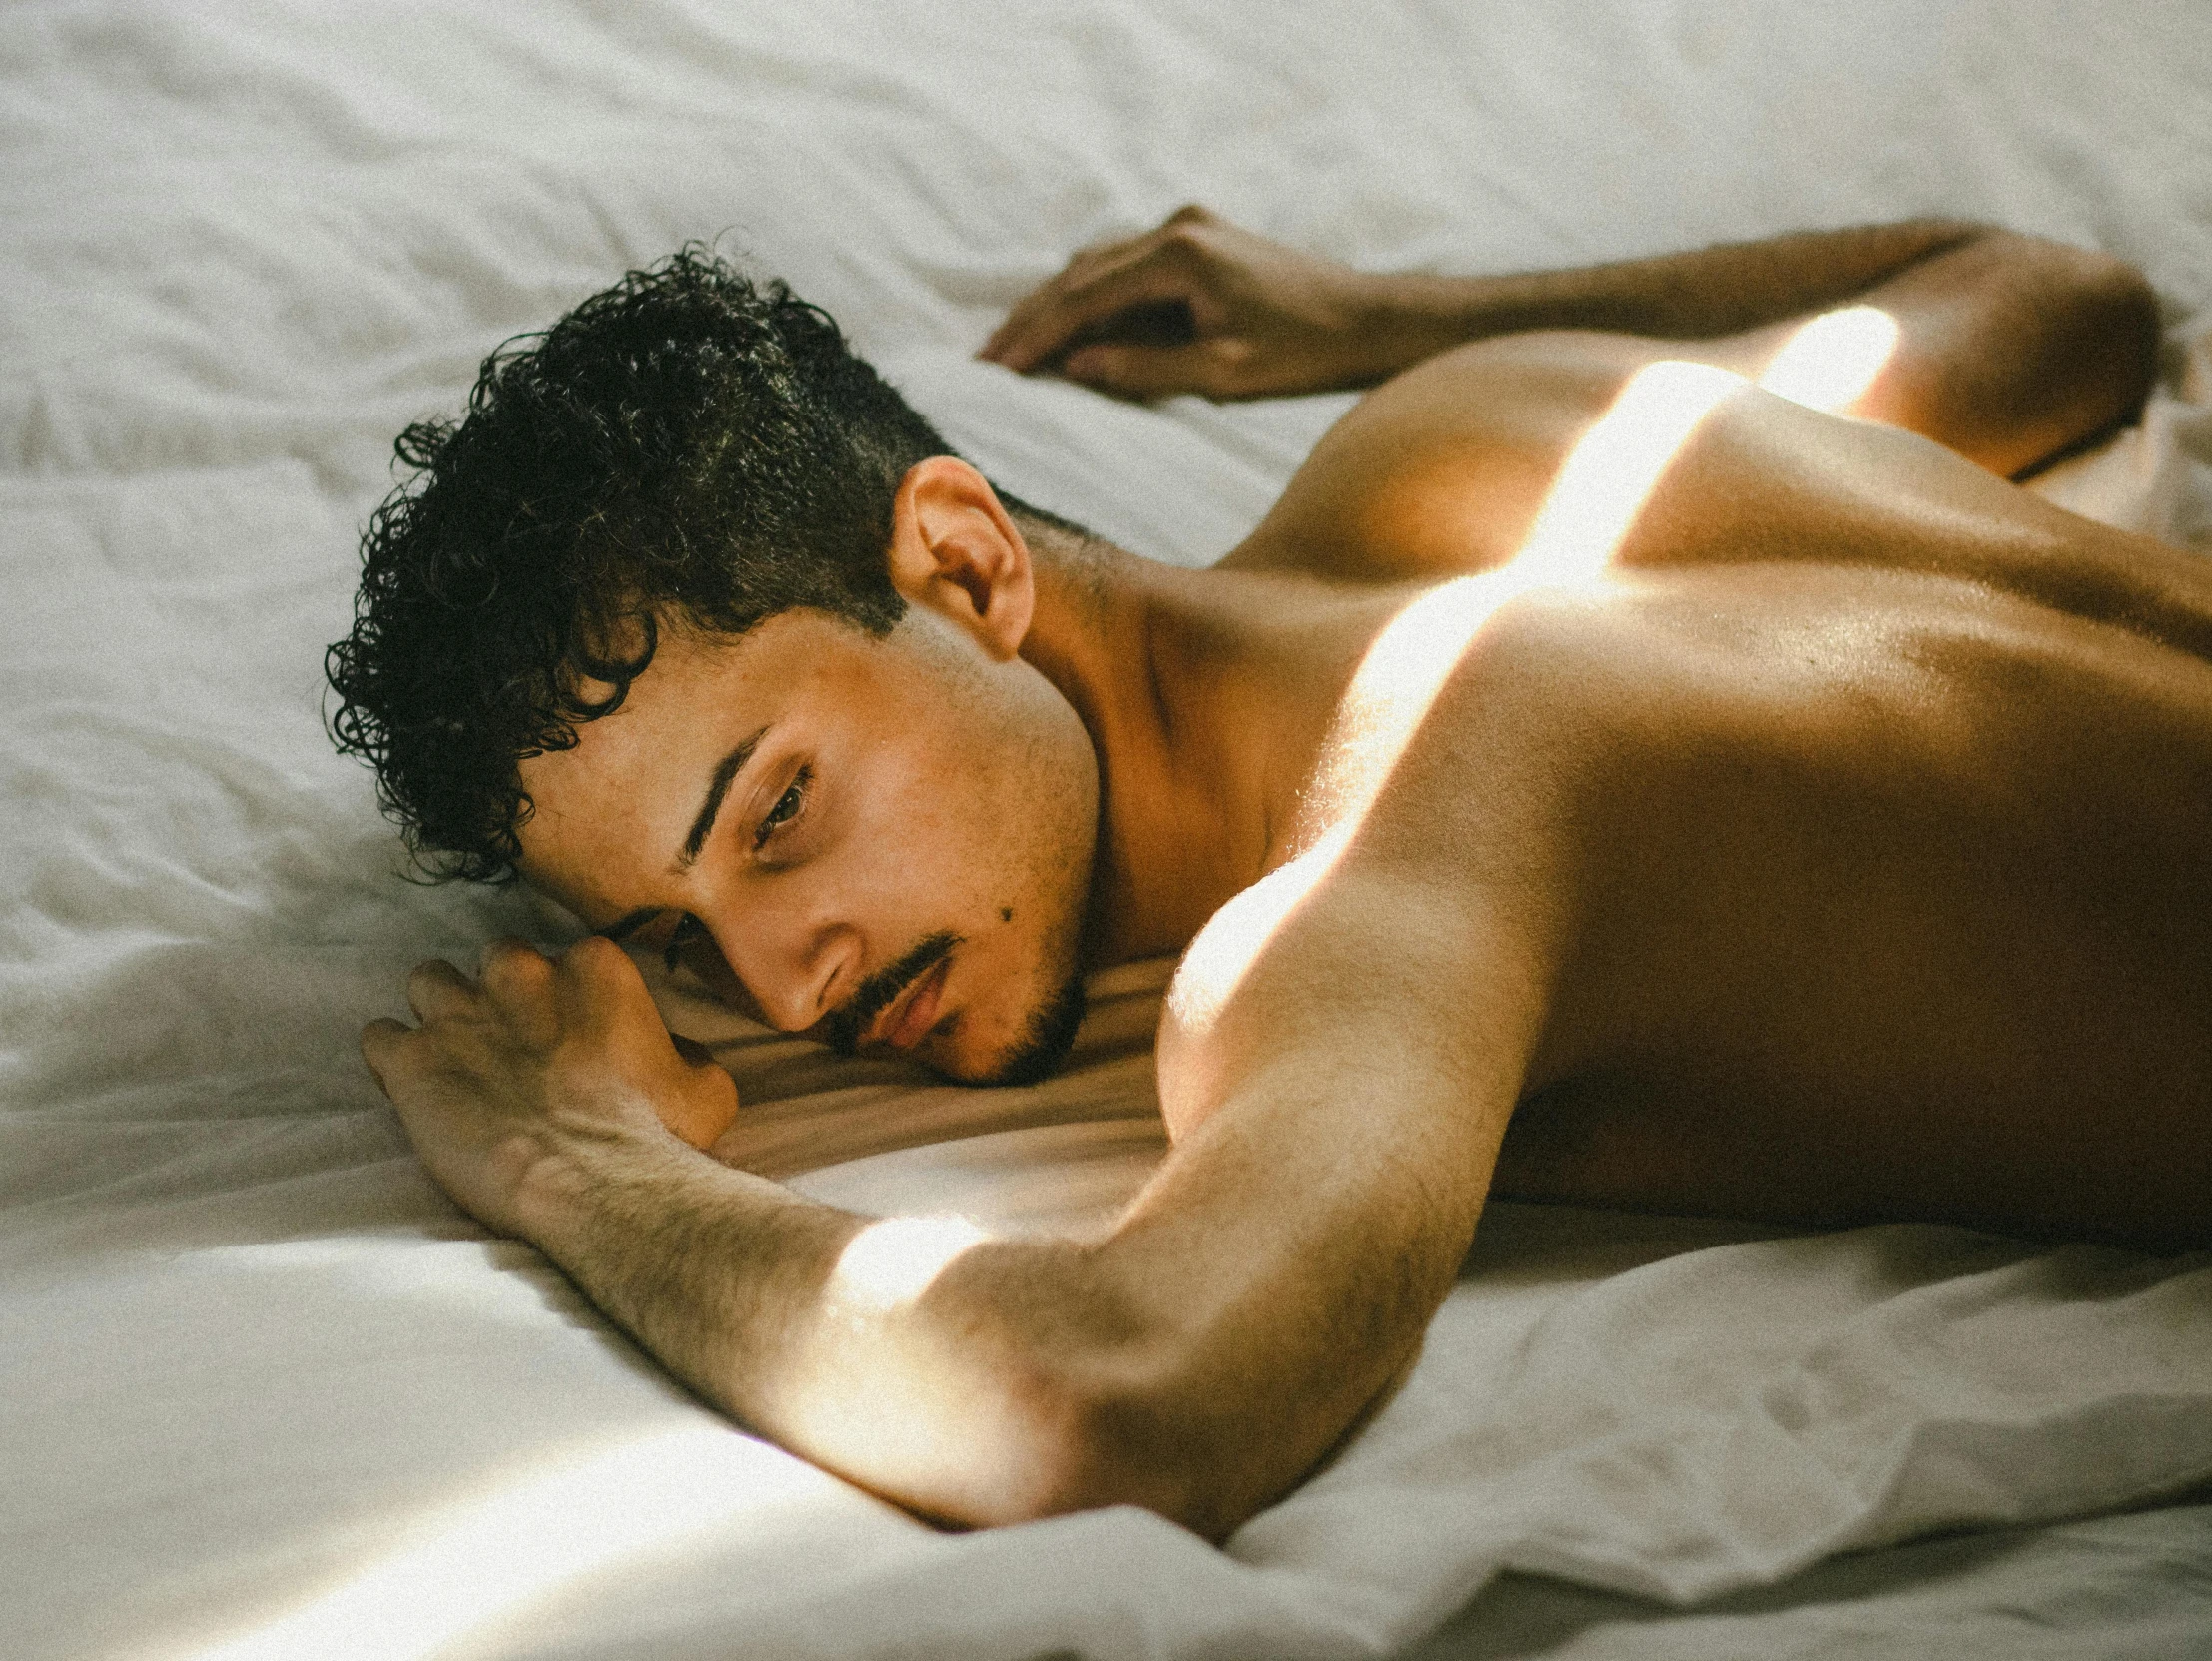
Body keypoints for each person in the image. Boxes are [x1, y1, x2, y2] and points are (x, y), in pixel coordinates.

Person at [330, 206, 2209, 1540]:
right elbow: (2055, 298)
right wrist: (1375, 319)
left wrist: (577, 1163)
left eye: (776, 816)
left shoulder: (1393, 846)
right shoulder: (1479, 428)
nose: (783, 978)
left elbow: (1127, 1401)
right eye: (676, 935)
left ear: (969, 566)